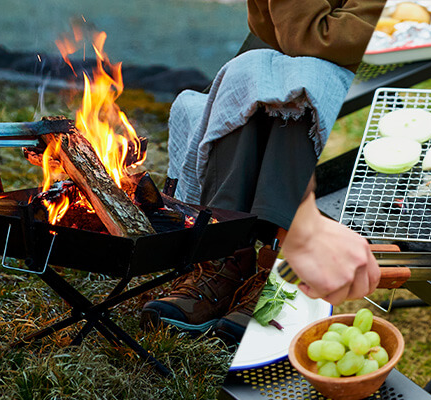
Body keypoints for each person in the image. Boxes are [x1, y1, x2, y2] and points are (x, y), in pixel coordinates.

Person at [140, 0, 384, 341]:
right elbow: (270, 31)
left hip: (367, 83)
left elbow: (319, 38)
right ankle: (225, 259)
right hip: (306, 70)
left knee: (301, 90)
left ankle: (280, 270)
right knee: (254, 77)